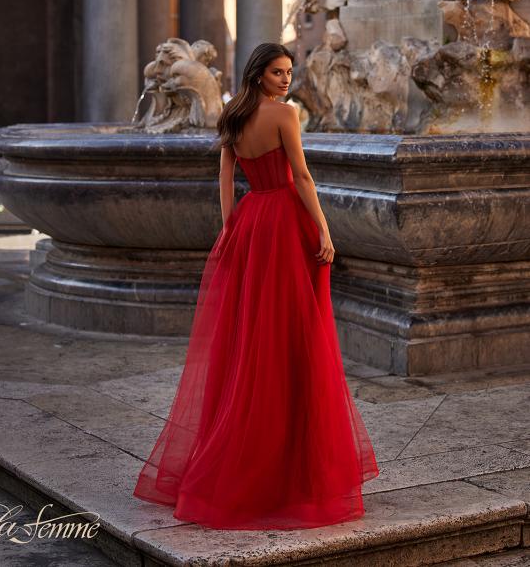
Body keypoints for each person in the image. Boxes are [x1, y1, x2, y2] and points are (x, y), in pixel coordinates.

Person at [132, 42, 379, 530]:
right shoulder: (285, 116)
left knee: (250, 336)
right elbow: (303, 178)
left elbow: (225, 174)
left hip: (252, 222)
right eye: (278, 72)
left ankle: (250, 450)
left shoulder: (232, 113)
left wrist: (231, 228)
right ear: (260, 74)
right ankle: (288, 465)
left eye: (289, 72)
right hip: (285, 221)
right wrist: (326, 230)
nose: (286, 79)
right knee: (292, 334)